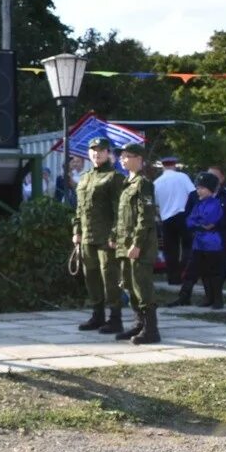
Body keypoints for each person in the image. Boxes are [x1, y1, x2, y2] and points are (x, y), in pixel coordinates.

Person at [167, 166, 226, 307]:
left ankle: (215, 298)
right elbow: (188, 215)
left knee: (215, 269)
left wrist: (221, 231)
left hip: (217, 239)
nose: (199, 189)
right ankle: (185, 297)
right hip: (198, 239)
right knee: (192, 269)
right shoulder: (194, 196)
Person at [73, 137, 126, 333]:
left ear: (108, 153)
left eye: (101, 150)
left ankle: (115, 318)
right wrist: (76, 231)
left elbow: (120, 210)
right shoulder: (85, 177)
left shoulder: (115, 177)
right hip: (87, 236)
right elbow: (79, 208)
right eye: (93, 150)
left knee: (110, 278)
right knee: (91, 277)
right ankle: (97, 315)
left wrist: (114, 235)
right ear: (88, 153)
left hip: (106, 238)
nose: (97, 153)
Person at [114, 142, 160, 344]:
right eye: (121, 156)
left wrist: (137, 244)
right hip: (124, 244)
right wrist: (115, 237)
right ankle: (138, 324)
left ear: (139, 159)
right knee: (128, 285)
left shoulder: (144, 183)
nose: (122, 159)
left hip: (139, 245)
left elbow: (146, 217)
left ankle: (151, 330)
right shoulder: (127, 183)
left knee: (142, 286)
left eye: (127, 155)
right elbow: (123, 217)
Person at [187, 172, 226, 309]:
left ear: (210, 189)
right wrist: (199, 223)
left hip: (212, 243)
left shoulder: (215, 204)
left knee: (214, 272)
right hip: (199, 243)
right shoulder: (198, 204)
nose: (199, 190)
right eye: (197, 188)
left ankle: (217, 299)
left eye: (202, 188)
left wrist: (199, 223)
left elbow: (210, 222)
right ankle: (208, 297)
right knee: (203, 272)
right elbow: (190, 221)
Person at [154, 156, 195, 285]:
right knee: (188, 245)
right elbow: (193, 194)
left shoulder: (157, 182)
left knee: (170, 250)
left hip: (166, 218)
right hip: (183, 215)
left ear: (163, 166)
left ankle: (173, 278)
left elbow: (155, 204)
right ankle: (185, 273)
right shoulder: (182, 177)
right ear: (174, 165)